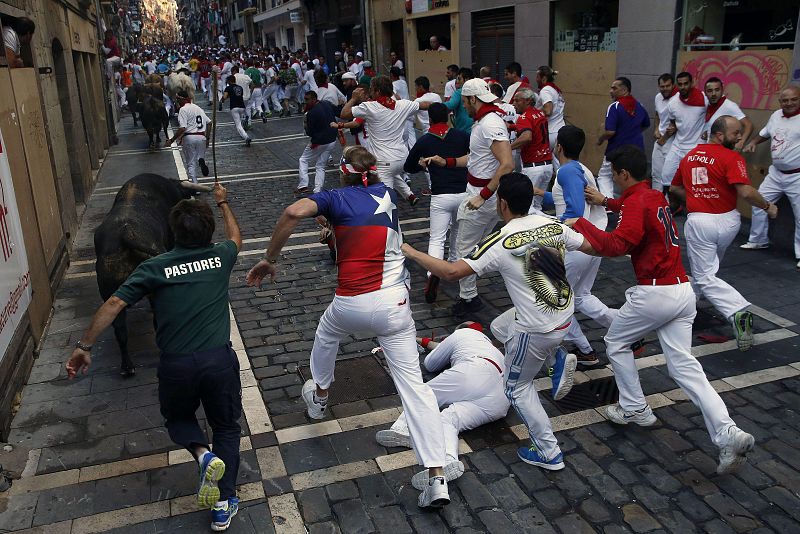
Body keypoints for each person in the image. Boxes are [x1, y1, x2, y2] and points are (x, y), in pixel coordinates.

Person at [245, 146, 451, 509]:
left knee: (326, 335)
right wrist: (333, 231)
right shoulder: (387, 193)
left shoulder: (334, 197)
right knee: (415, 390)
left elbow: (294, 211)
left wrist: (269, 257)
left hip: (352, 302)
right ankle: (436, 476)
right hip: (394, 306)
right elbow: (363, 233)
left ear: (343, 174)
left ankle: (321, 395)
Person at [66, 184, 245, 530]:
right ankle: (223, 504)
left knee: (178, 419)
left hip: (177, 365)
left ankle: (201, 455)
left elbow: (114, 303)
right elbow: (236, 237)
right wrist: (223, 204)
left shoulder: (155, 268)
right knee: (226, 426)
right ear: (208, 232)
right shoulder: (222, 255)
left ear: (171, 230)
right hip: (218, 361)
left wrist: (84, 346)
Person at [573, 145, 755, 475]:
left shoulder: (637, 201)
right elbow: (633, 208)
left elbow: (616, 245)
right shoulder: (654, 196)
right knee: (685, 367)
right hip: (683, 292)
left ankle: (633, 407)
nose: (612, 179)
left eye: (614, 174)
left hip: (656, 294)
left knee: (615, 343)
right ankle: (728, 432)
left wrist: (581, 224)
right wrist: (606, 202)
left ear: (624, 174)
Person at [402, 172, 594, 471]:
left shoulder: (500, 240)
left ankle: (548, 451)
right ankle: (556, 358)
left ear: (502, 204)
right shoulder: (551, 224)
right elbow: (590, 245)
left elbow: (452, 273)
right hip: (564, 317)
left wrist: (411, 251)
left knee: (517, 388)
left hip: (538, 329)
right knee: (499, 327)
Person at [670, 115, 777, 350]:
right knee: (707, 269)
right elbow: (746, 193)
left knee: (705, 275)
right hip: (728, 223)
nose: (740, 136)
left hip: (701, 223)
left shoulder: (689, 156)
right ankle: (686, 308)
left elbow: (675, 187)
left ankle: (736, 310)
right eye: (736, 133)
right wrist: (768, 207)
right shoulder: (731, 157)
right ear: (719, 135)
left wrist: (696, 200)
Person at [375, 322, 509, 487]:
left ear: (461, 327)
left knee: (423, 395)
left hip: (476, 372)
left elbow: (431, 363)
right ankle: (448, 460)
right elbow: (436, 346)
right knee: (449, 419)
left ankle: (402, 428)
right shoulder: (488, 346)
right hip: (501, 397)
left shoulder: (460, 334)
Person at [427, 78, 513, 316]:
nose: (462, 106)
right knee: (477, 247)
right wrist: (448, 162)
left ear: (473, 99)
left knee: (464, 247)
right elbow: (476, 158)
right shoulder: (485, 121)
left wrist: (483, 196)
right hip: (478, 193)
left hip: (480, 197)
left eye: (464, 102)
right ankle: (471, 290)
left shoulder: (489, 123)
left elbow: (507, 164)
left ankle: (468, 298)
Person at [404, 103, 469, 302]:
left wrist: (423, 165)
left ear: (430, 119)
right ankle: (455, 265)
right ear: (449, 116)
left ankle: (432, 274)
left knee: (437, 238)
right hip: (463, 192)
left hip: (440, 195)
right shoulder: (462, 136)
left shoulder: (424, 140)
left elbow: (408, 166)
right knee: (458, 233)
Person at [340, 75, 436, 205]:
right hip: (402, 158)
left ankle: (393, 221)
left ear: (378, 91)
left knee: (385, 205)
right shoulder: (403, 104)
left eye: (372, 89)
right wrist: (440, 106)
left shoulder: (369, 107)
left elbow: (344, 114)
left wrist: (353, 98)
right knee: (393, 174)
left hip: (384, 162)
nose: (370, 92)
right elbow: (425, 105)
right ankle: (409, 195)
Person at [741, 85, 800, 269]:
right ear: (780, 101)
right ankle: (759, 240)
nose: (789, 103)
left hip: (797, 175)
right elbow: (764, 133)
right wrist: (752, 142)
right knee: (759, 201)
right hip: (776, 173)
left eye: (793, 99)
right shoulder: (776, 115)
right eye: (784, 100)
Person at [596, 77, 651, 198]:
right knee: (631, 180)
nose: (611, 91)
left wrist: (600, 138)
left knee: (604, 176)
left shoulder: (615, 106)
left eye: (614, 88)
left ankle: (607, 203)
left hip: (616, 150)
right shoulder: (639, 106)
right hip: (636, 151)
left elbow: (610, 131)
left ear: (624, 90)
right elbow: (646, 124)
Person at [660, 72, 708, 193]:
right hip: (677, 147)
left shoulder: (704, 99)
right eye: (680, 84)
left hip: (698, 148)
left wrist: (708, 130)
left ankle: (699, 209)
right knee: (666, 178)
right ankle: (669, 208)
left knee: (699, 183)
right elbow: (673, 122)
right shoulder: (673, 103)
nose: (683, 87)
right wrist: (672, 129)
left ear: (692, 83)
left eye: (686, 83)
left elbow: (714, 116)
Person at [511, 87, 552, 213]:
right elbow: (533, 128)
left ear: (527, 101)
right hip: (547, 166)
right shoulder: (539, 114)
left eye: (517, 101)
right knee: (537, 206)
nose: (514, 104)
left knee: (527, 207)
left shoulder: (524, 117)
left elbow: (527, 137)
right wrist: (512, 126)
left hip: (533, 167)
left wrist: (507, 147)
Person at [164, 92, 212, 184]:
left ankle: (195, 186)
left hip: (189, 138)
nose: (177, 102)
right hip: (201, 137)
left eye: (178, 100)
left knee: (190, 164)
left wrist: (171, 140)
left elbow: (182, 128)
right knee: (199, 156)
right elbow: (209, 123)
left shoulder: (183, 110)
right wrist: (208, 138)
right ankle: (200, 159)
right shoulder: (198, 108)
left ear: (182, 99)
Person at [297, 91, 337, 194]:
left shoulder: (311, 113)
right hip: (331, 139)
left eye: (307, 99)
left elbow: (310, 132)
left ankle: (303, 185)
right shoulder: (326, 103)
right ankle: (317, 190)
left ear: (314, 99)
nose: (305, 102)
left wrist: (305, 125)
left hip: (319, 141)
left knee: (303, 160)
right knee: (320, 166)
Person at [701, 77, 752, 149]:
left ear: (722, 90)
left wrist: (741, 142)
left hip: (721, 151)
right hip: (707, 148)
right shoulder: (706, 104)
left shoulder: (729, 105)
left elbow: (748, 124)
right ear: (705, 93)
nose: (713, 94)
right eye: (710, 91)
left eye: (717, 90)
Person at [536, 66, 566, 172]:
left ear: (543, 78)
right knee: (559, 162)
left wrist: (534, 114)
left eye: (537, 76)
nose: (536, 79)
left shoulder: (546, 90)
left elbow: (548, 110)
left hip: (550, 132)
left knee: (553, 164)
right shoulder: (555, 90)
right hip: (560, 130)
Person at [652, 73, 678, 193]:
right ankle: (655, 201)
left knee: (668, 176)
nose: (665, 89)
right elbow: (657, 114)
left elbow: (678, 123)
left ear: (673, 85)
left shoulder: (678, 98)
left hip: (673, 142)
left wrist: (665, 138)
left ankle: (667, 204)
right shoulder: (658, 97)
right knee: (656, 174)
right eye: (662, 86)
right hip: (659, 141)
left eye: (668, 86)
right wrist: (656, 129)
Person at [221, 75, 252, 147]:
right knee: (241, 121)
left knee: (238, 125)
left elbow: (225, 97)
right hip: (242, 106)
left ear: (229, 81)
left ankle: (246, 137)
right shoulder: (240, 87)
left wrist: (221, 100)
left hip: (234, 107)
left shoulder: (228, 88)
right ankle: (245, 121)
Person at [444, 67, 474, 133]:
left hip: (464, 131)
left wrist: (435, 105)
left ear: (466, 79)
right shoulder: (478, 91)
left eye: (459, 79)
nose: (457, 81)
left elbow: (450, 105)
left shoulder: (459, 92)